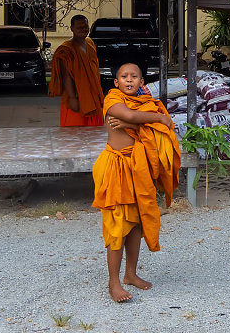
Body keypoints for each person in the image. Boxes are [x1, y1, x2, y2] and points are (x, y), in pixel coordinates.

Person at [95, 62, 181, 302]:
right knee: (117, 227)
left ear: (142, 82)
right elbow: (135, 116)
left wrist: (134, 125)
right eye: (124, 76)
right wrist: (158, 118)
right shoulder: (112, 100)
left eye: (134, 77)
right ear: (116, 82)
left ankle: (130, 274)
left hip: (139, 169)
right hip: (116, 168)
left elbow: (149, 131)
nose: (129, 80)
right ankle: (113, 283)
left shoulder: (146, 102)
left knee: (136, 224)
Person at [48, 15, 104, 126]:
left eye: (85, 26)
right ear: (72, 28)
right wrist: (73, 98)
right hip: (76, 98)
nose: (83, 29)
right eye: (79, 27)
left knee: (94, 135)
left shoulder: (90, 43)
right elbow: (66, 76)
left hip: (92, 97)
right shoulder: (66, 49)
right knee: (73, 137)